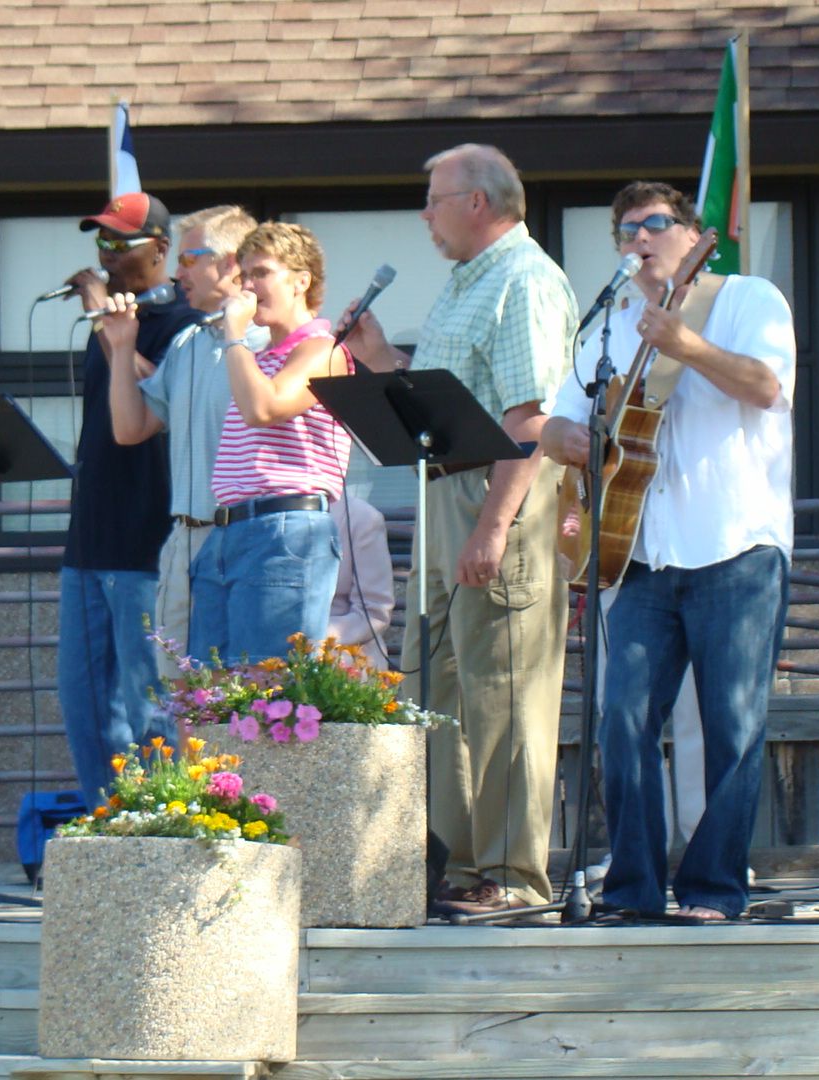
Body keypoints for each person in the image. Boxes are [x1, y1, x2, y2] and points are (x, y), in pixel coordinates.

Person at [540, 181, 795, 922]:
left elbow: (765, 387)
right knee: (621, 717)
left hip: (735, 543)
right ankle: (634, 890)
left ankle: (716, 889)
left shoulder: (746, 299)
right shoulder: (607, 327)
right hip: (638, 551)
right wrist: (572, 440)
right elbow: (554, 427)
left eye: (655, 224)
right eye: (625, 230)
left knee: (733, 724)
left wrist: (685, 344)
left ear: (691, 234)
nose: (639, 238)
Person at [339, 144, 577, 915]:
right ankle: (458, 863)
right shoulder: (464, 284)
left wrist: (494, 527)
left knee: (505, 688)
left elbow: (528, 420)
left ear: (479, 202)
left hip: (495, 494)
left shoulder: (525, 281)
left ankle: (512, 875)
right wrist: (379, 362)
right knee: (440, 686)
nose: (425, 215)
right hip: (446, 490)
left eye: (435, 199)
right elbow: (448, 406)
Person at [56, 192, 202, 802]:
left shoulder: (185, 322)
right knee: (83, 699)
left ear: (162, 251)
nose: (107, 255)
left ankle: (158, 827)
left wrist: (109, 328)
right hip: (89, 536)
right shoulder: (113, 320)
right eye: (101, 243)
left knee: (149, 705)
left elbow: (159, 396)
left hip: (148, 538)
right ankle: (106, 823)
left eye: (121, 243)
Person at [102, 204, 266, 678]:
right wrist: (121, 346)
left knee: (238, 687)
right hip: (183, 536)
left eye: (190, 259)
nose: (177, 274)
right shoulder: (187, 342)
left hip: (239, 536)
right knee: (178, 688)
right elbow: (130, 429)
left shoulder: (267, 341)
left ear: (231, 262)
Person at [188, 221, 354, 663]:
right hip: (229, 529)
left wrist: (235, 336)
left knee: (268, 689)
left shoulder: (323, 350)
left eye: (261, 272)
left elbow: (265, 409)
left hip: (284, 529)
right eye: (243, 275)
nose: (248, 286)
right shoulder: (257, 357)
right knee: (210, 692)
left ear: (302, 280)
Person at [329, 493, 396, 671]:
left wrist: (311, 640)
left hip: (342, 647)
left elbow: (375, 612)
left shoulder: (361, 517)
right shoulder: (250, 509)